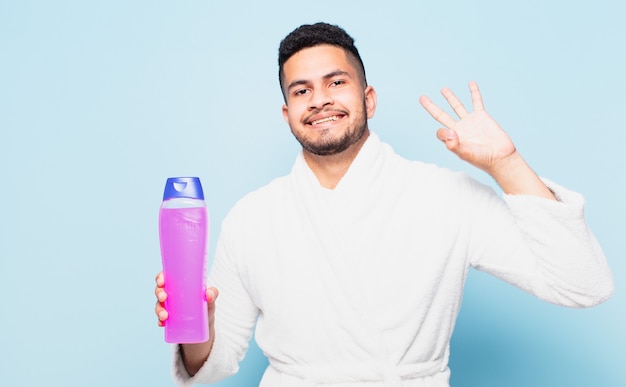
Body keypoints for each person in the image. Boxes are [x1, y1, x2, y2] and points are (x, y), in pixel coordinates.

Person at [154, 22, 614, 386]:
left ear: (368, 98)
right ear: (287, 113)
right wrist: (199, 326)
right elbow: (210, 365)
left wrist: (506, 164)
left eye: (336, 82)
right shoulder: (252, 218)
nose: (320, 100)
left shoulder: (446, 196)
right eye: (301, 91)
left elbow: (583, 285)